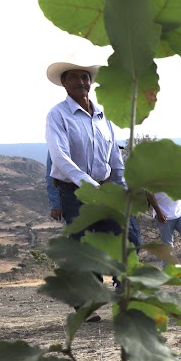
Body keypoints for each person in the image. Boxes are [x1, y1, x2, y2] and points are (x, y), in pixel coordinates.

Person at [45, 58, 126, 321]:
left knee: (119, 240)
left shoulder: (104, 116)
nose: (81, 82)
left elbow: (114, 155)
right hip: (75, 192)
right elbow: (59, 158)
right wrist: (89, 185)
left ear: (90, 82)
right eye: (74, 78)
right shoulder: (57, 115)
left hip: (106, 189)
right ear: (64, 83)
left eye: (85, 77)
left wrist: (121, 187)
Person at [148, 192, 181, 268]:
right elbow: (149, 194)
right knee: (167, 244)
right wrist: (158, 212)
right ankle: (168, 269)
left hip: (180, 212)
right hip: (163, 214)